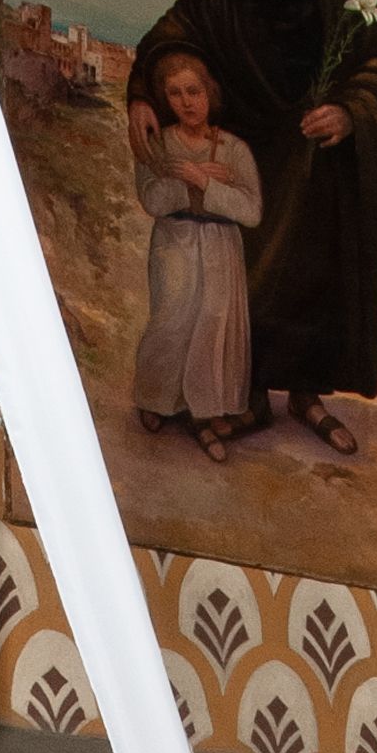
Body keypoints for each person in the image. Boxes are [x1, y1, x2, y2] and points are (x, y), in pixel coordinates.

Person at [127, 0, 377, 453]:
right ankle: (250, 397)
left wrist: (351, 111)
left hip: (317, 157)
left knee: (317, 277)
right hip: (249, 155)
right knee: (246, 284)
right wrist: (141, 93)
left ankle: (309, 398)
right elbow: (172, 35)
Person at [130, 53, 259, 460]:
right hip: (175, 240)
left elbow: (252, 211)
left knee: (213, 323)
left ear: (209, 93)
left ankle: (203, 412)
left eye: (193, 91)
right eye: (175, 94)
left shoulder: (234, 149)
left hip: (222, 245)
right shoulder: (158, 144)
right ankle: (156, 399)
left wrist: (203, 181)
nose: (186, 102)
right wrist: (192, 185)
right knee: (172, 319)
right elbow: (152, 199)